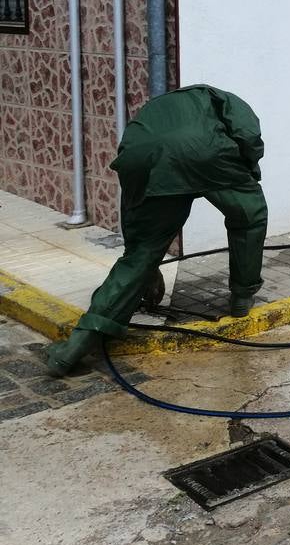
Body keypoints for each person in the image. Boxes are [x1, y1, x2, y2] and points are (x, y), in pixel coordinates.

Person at [45, 85, 268, 376]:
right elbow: (249, 136)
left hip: (143, 160)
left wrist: (146, 264)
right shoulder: (225, 99)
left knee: (140, 254)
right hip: (210, 156)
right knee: (250, 217)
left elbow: (134, 215)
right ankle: (241, 297)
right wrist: (250, 173)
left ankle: (73, 349)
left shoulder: (153, 114)